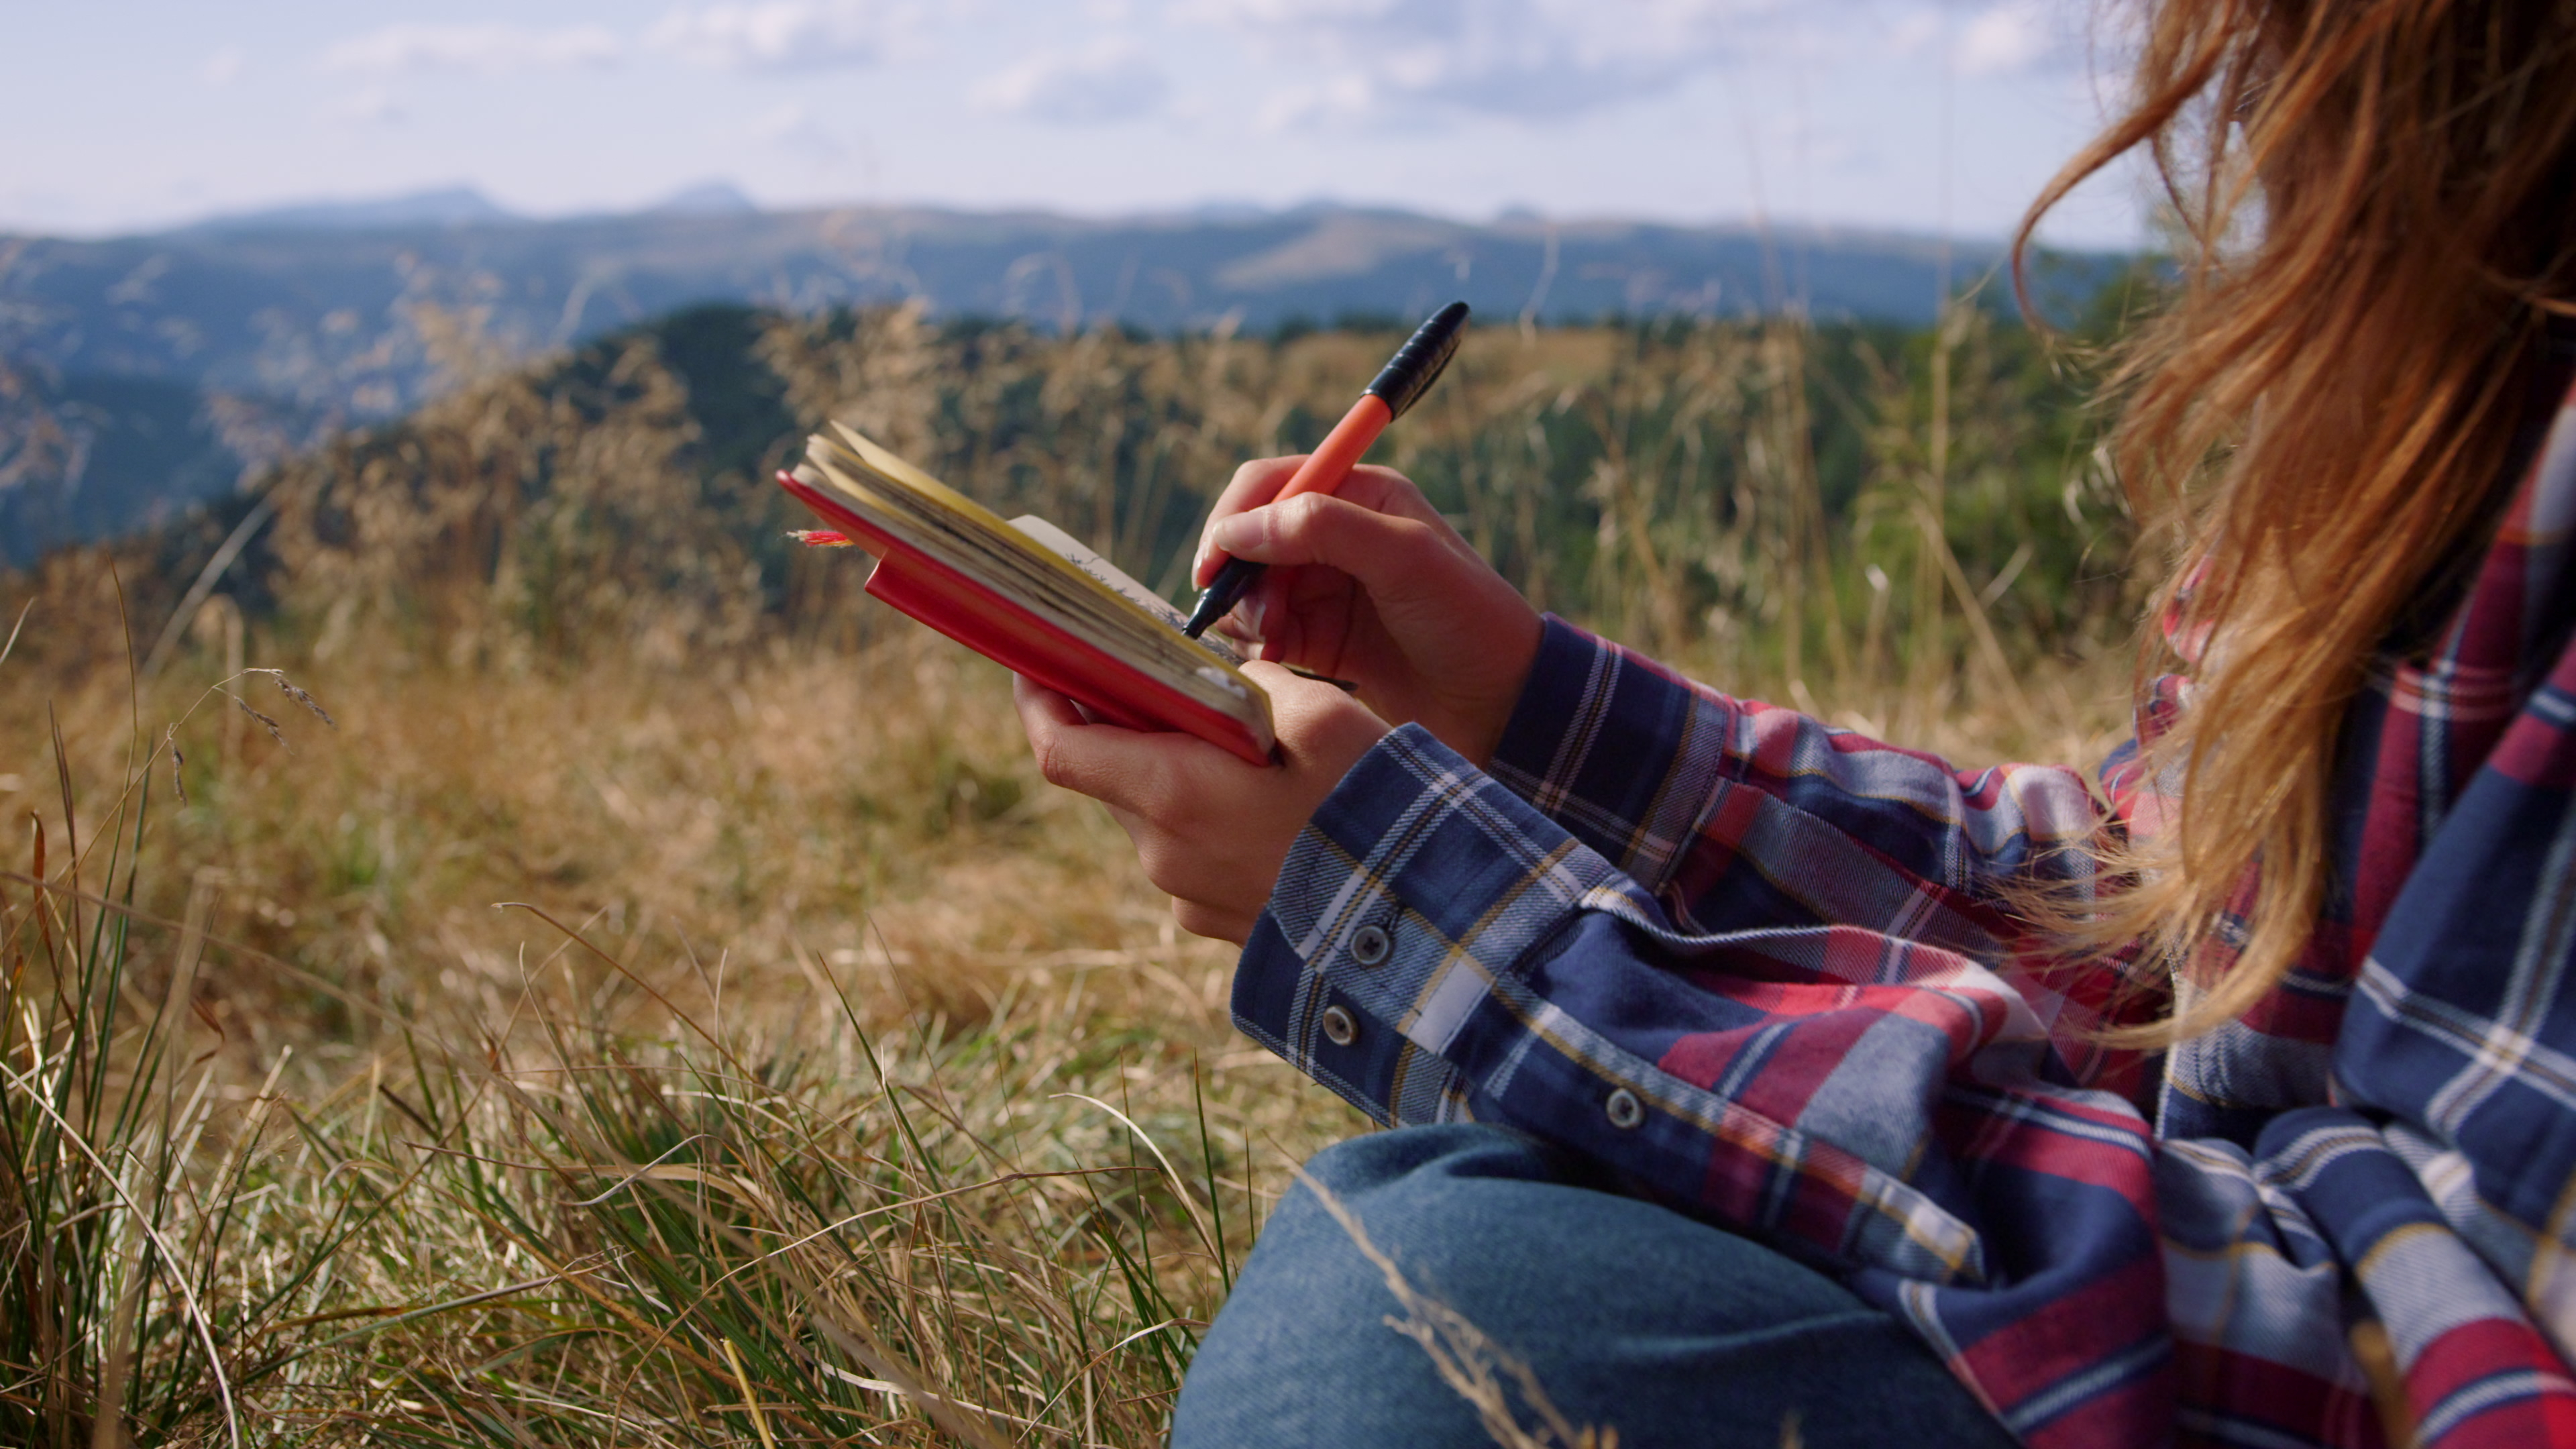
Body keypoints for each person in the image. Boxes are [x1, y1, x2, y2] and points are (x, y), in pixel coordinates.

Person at [1014, 2, 2576, 1444]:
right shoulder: (2430, 364)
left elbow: (2467, 1370)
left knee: (1417, 1301)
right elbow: (2161, 929)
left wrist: (1447, 931)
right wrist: (1532, 711)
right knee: (1450, 1248)